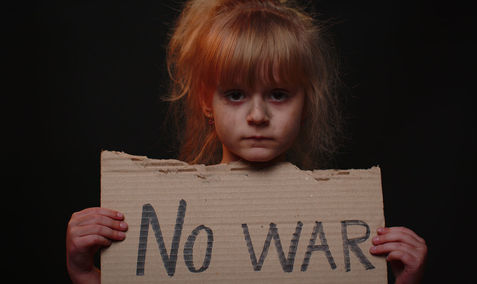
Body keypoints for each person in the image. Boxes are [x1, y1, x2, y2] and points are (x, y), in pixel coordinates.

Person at [66, 0, 427, 283]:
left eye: (279, 94)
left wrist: (406, 280)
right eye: (236, 94)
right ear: (208, 102)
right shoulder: (173, 227)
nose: (257, 115)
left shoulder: (334, 232)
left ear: (306, 103)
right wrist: (85, 273)